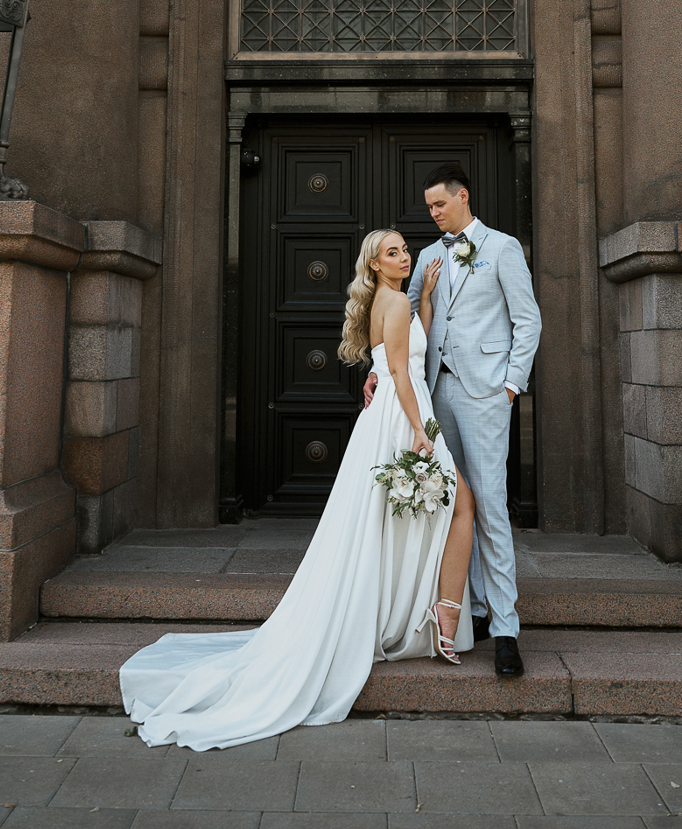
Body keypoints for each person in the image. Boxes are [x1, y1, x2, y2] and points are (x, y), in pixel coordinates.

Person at [118, 229, 475, 750]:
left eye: (404, 249)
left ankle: (428, 617)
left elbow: (395, 354)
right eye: (393, 253)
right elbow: (400, 370)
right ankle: (442, 619)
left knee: (396, 518)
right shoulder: (394, 302)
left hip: (388, 415)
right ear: (376, 264)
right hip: (405, 416)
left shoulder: (388, 301)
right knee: (458, 507)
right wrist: (420, 430)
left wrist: (424, 298)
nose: (404, 257)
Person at [364, 163, 541, 677]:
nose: (433, 214)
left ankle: (505, 629)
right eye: (429, 208)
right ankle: (476, 610)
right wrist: (376, 369)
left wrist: (511, 386)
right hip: (433, 396)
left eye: (439, 205)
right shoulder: (426, 257)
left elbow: (528, 320)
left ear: (463, 197)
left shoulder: (503, 248)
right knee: (453, 505)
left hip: (486, 394)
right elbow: (400, 320)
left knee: (490, 506)